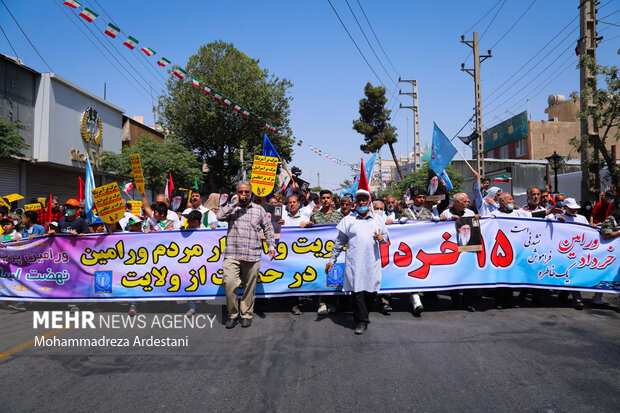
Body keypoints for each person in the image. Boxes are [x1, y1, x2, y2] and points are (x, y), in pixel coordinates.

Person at [326, 189, 389, 335]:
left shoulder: (377, 220)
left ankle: (363, 315)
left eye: (364, 200)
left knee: (370, 292)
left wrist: (381, 238)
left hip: (371, 262)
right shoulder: (348, 220)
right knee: (357, 291)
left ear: (369, 202)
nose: (361, 202)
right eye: (359, 200)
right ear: (355, 203)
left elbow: (385, 237)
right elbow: (339, 242)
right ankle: (362, 320)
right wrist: (332, 260)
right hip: (354, 263)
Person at [216, 181, 276, 329]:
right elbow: (218, 216)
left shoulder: (259, 210)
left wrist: (271, 246)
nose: (244, 195)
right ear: (237, 194)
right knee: (229, 284)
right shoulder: (232, 209)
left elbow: (268, 229)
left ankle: (246, 315)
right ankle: (233, 314)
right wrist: (233, 204)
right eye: (241, 192)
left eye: (246, 192)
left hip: (252, 254)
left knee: (250, 287)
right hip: (232, 254)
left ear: (251, 193)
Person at [307, 190, 343, 315]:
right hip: (319, 252)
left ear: (331, 199)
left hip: (334, 252)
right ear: (320, 200)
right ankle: (322, 303)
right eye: (323, 198)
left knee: (333, 276)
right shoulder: (315, 216)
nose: (326, 200)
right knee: (321, 276)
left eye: (328, 197)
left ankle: (332, 303)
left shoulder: (339, 216)